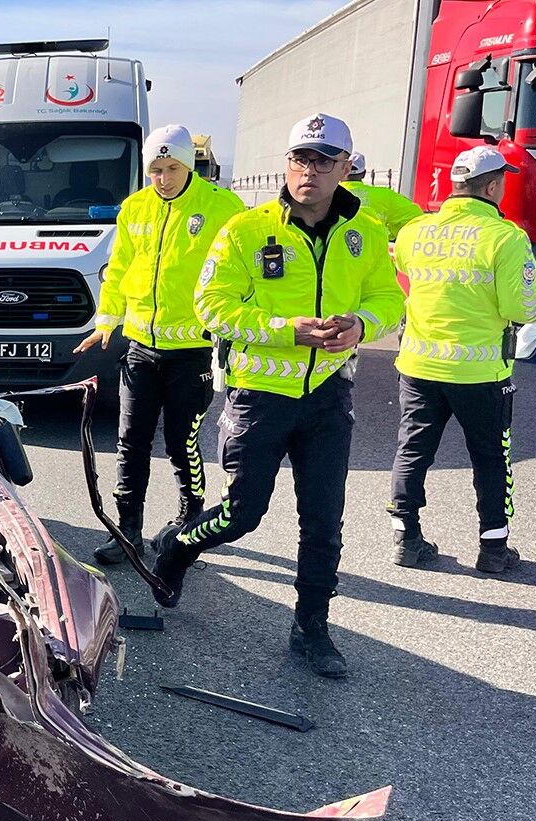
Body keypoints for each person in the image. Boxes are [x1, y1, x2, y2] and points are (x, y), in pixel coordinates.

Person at [150, 114, 406, 678]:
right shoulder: (247, 229)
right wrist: (286, 328)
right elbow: (212, 305)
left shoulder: (362, 231)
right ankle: (178, 546)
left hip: (327, 397)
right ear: (285, 164)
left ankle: (311, 627)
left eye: (322, 160)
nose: (308, 171)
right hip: (258, 397)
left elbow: (390, 297)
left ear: (345, 167)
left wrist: (363, 323)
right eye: (298, 158)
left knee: (324, 519)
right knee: (243, 515)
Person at [75, 124, 246, 566]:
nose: (164, 178)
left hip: (192, 351)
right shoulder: (134, 209)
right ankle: (126, 531)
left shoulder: (222, 207)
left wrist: (236, 327)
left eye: (172, 168)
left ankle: (189, 528)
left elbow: (243, 271)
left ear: (189, 165)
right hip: (140, 348)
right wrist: (107, 320)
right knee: (130, 441)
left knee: (180, 442)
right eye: (156, 169)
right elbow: (118, 269)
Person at [388, 146, 536, 573]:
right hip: (481, 371)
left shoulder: (416, 230)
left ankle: (405, 540)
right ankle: (493, 550)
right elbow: (521, 308)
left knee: (412, 451)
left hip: (418, 365)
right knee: (490, 457)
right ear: (492, 185)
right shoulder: (506, 237)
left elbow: (415, 275)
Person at [341, 152, 423, 239]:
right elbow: (416, 216)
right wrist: (389, 233)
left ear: (344, 170)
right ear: (364, 174)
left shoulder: (330, 193)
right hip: (373, 249)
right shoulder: (385, 195)